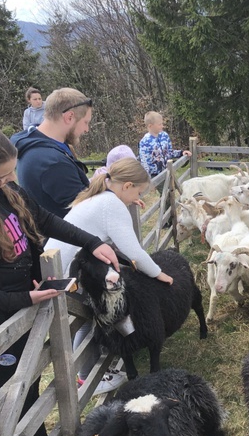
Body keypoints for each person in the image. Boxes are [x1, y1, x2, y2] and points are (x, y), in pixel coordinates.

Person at [0, 126, 119, 436]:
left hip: (24, 309)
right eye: (1, 174)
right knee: (16, 392)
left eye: (11, 172)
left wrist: (92, 242)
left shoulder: (7, 193)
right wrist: (22, 300)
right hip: (2, 322)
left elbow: (45, 220)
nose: (11, 180)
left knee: (28, 381)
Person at [45, 158, 172, 395]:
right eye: (139, 190)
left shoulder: (102, 197)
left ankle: (95, 366)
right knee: (88, 318)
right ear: (127, 185)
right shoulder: (111, 206)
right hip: (68, 276)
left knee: (91, 317)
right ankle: (86, 378)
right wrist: (159, 273)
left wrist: (127, 200)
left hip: (58, 269)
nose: (139, 196)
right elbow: (134, 252)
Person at [11, 88, 93, 218]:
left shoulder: (34, 143)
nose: (86, 129)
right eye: (85, 122)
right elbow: (88, 211)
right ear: (69, 117)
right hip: (65, 237)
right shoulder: (52, 163)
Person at [138, 111, 191, 178]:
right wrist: (149, 182)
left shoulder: (164, 136)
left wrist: (181, 152)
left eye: (162, 124)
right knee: (165, 188)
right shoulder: (144, 142)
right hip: (155, 176)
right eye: (159, 124)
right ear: (150, 126)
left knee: (174, 188)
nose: (162, 126)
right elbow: (144, 163)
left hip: (168, 172)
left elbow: (169, 152)